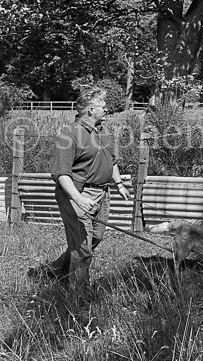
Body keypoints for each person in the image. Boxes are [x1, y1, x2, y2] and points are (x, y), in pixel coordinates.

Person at [31, 87, 131, 288]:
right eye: (103, 106)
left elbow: (111, 162)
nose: (107, 110)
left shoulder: (103, 131)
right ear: (90, 110)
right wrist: (79, 199)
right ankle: (78, 294)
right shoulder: (70, 134)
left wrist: (119, 184)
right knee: (83, 248)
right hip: (78, 194)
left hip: (102, 193)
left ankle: (55, 270)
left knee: (96, 237)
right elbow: (61, 174)